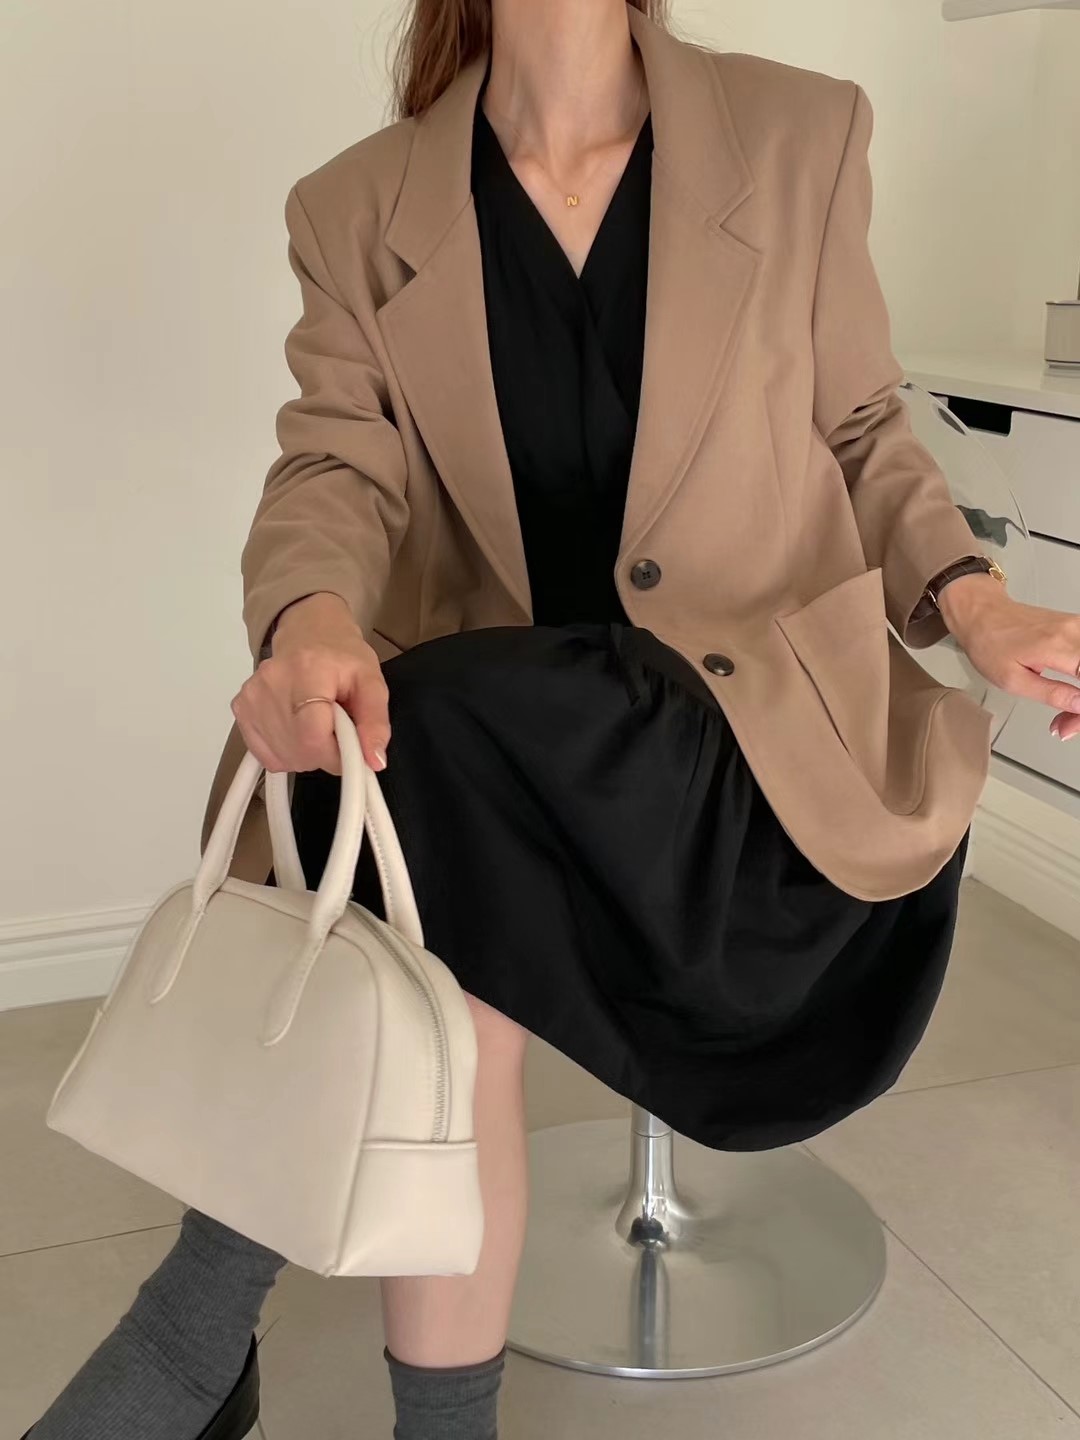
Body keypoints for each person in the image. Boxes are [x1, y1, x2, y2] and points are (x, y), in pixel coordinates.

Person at [26, 0, 1080, 1437]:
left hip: (751, 781)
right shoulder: (357, 206)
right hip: (492, 797)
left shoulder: (799, 133)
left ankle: (191, 1337)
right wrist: (312, 619)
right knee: (410, 801)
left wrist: (975, 603)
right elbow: (334, 468)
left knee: (426, 748)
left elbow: (862, 429)